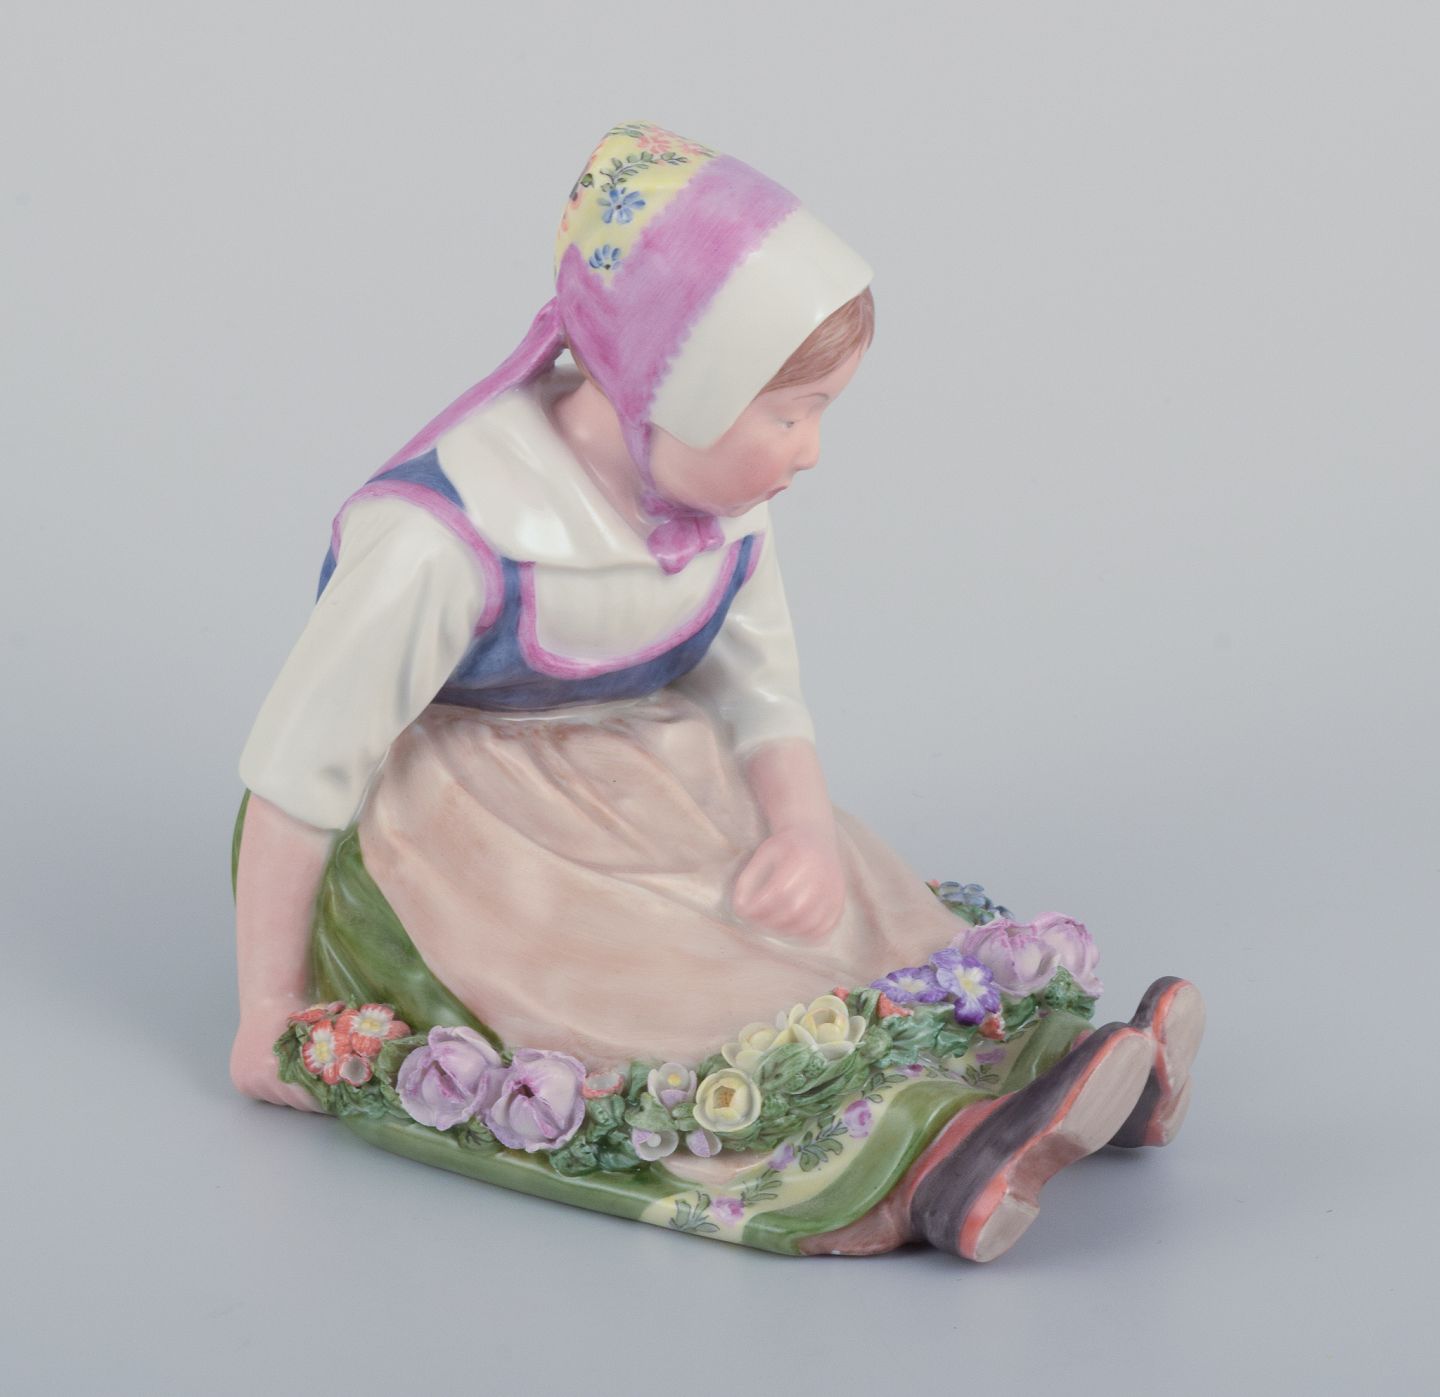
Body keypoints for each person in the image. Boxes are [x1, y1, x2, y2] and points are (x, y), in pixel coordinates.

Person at [229, 119, 1204, 1260]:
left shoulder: (722, 509)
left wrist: (800, 830)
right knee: (670, 971)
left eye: (820, 410)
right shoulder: (447, 537)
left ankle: (1042, 1068)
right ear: (666, 387)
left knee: (853, 904)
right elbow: (296, 774)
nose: (811, 449)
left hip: (656, 767)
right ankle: (924, 1155)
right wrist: (267, 1007)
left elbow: (763, 695)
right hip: (473, 827)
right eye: (788, 412)